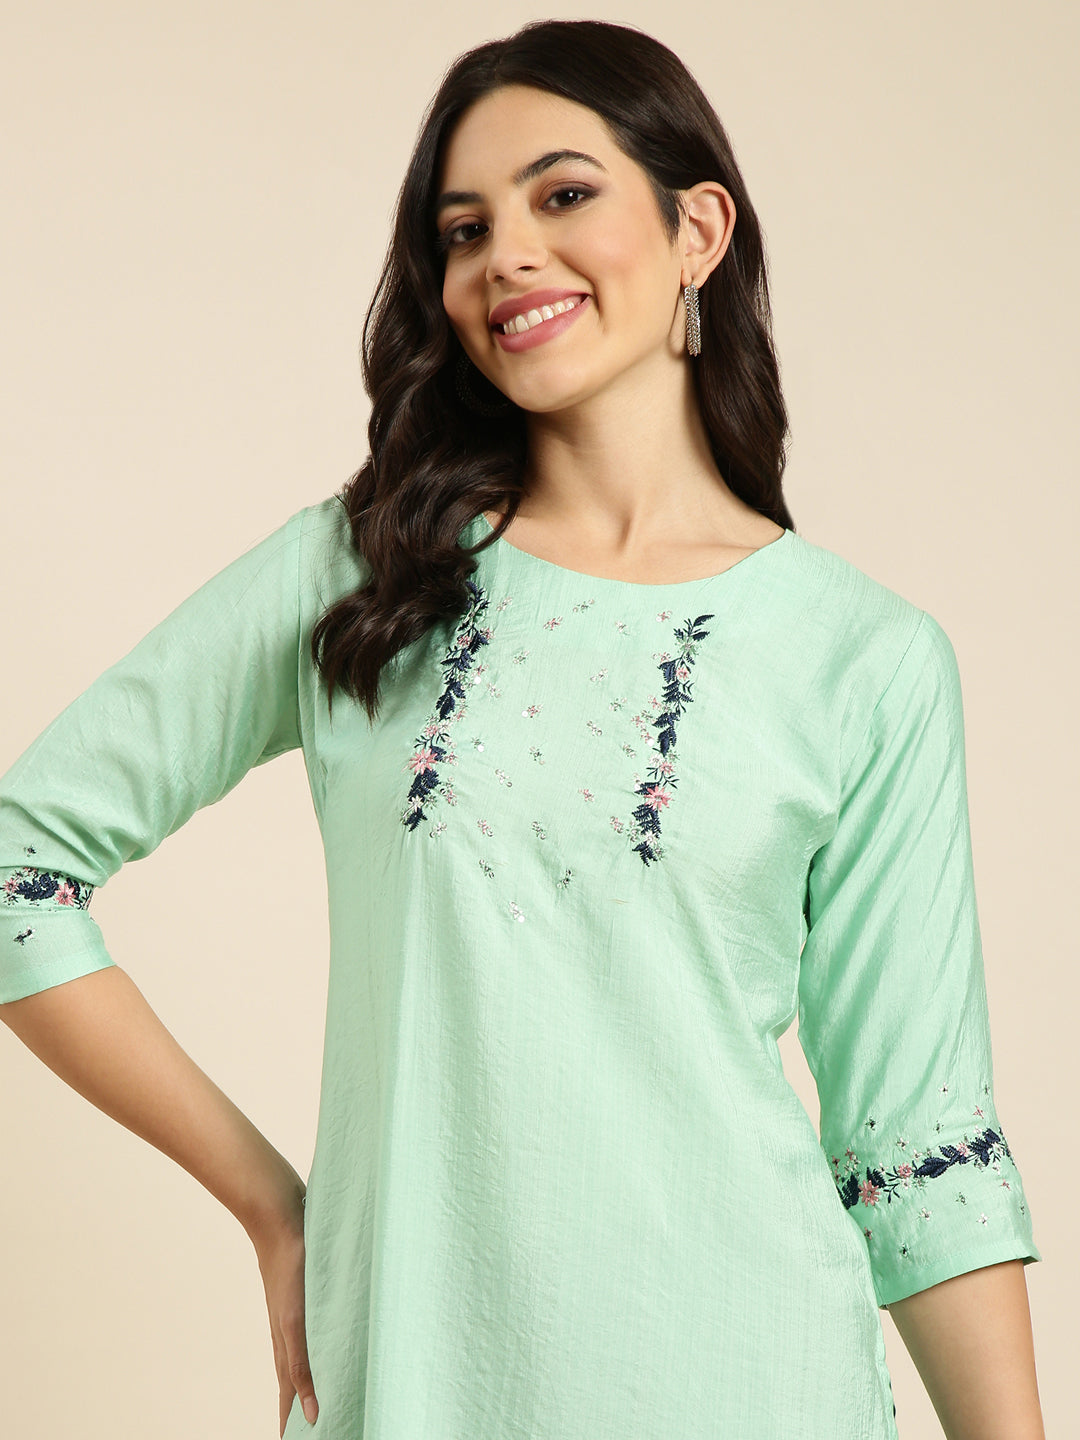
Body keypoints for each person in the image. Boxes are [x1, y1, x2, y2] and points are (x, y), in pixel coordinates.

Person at [0, 18, 1045, 1439]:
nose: (507, 257)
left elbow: (918, 1149)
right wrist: (276, 1208)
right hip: (417, 1382)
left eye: (563, 195)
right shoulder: (364, 576)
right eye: (465, 229)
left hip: (759, 1380)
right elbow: (22, 866)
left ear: (697, 231)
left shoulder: (863, 658)